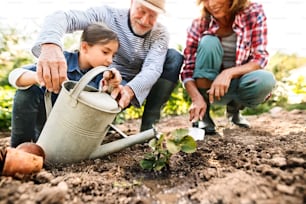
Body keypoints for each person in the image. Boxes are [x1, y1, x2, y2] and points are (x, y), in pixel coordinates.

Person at [31, 0, 184, 132]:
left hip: (134, 86)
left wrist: (129, 91)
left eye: (152, 16)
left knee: (174, 57)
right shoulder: (107, 16)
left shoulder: (160, 33)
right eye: (141, 11)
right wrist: (50, 45)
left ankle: (149, 125)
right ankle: (100, 118)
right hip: (104, 81)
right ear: (132, 2)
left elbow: (153, 68)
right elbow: (62, 17)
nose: (144, 20)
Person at [9, 23, 122, 147]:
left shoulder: (101, 76)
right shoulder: (60, 60)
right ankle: (19, 148)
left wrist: (111, 86)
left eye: (113, 55)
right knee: (26, 93)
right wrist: (39, 77)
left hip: (71, 136)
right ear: (84, 47)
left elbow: (104, 108)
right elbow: (15, 75)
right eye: (105, 52)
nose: (110, 60)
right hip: (45, 127)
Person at [180, 0, 276, 134]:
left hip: (237, 84)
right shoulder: (199, 23)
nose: (211, 4)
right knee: (208, 42)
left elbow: (260, 58)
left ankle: (234, 110)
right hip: (210, 89)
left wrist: (228, 73)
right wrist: (196, 98)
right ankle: (204, 115)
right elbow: (188, 69)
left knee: (266, 79)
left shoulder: (253, 12)